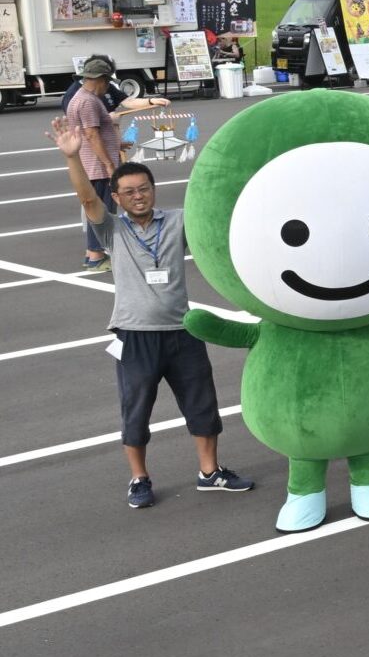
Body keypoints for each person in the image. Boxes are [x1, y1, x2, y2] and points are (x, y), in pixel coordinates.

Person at [53, 120, 252, 506]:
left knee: (202, 403)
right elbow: (85, 198)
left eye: (144, 188)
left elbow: (215, 215)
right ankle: (139, 478)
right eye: (128, 192)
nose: (138, 196)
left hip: (183, 331)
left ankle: (209, 472)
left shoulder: (177, 220)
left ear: (153, 190)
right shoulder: (112, 230)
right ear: (117, 198)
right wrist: (73, 156)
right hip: (135, 334)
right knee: (136, 409)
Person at [64, 56, 164, 272]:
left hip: (93, 163)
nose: (108, 86)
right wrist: (109, 165)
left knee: (99, 209)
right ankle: (95, 255)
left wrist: (116, 142)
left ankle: (95, 253)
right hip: (97, 167)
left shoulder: (80, 98)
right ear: (99, 79)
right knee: (99, 211)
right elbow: (91, 135)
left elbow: (97, 132)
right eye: (107, 81)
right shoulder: (89, 101)